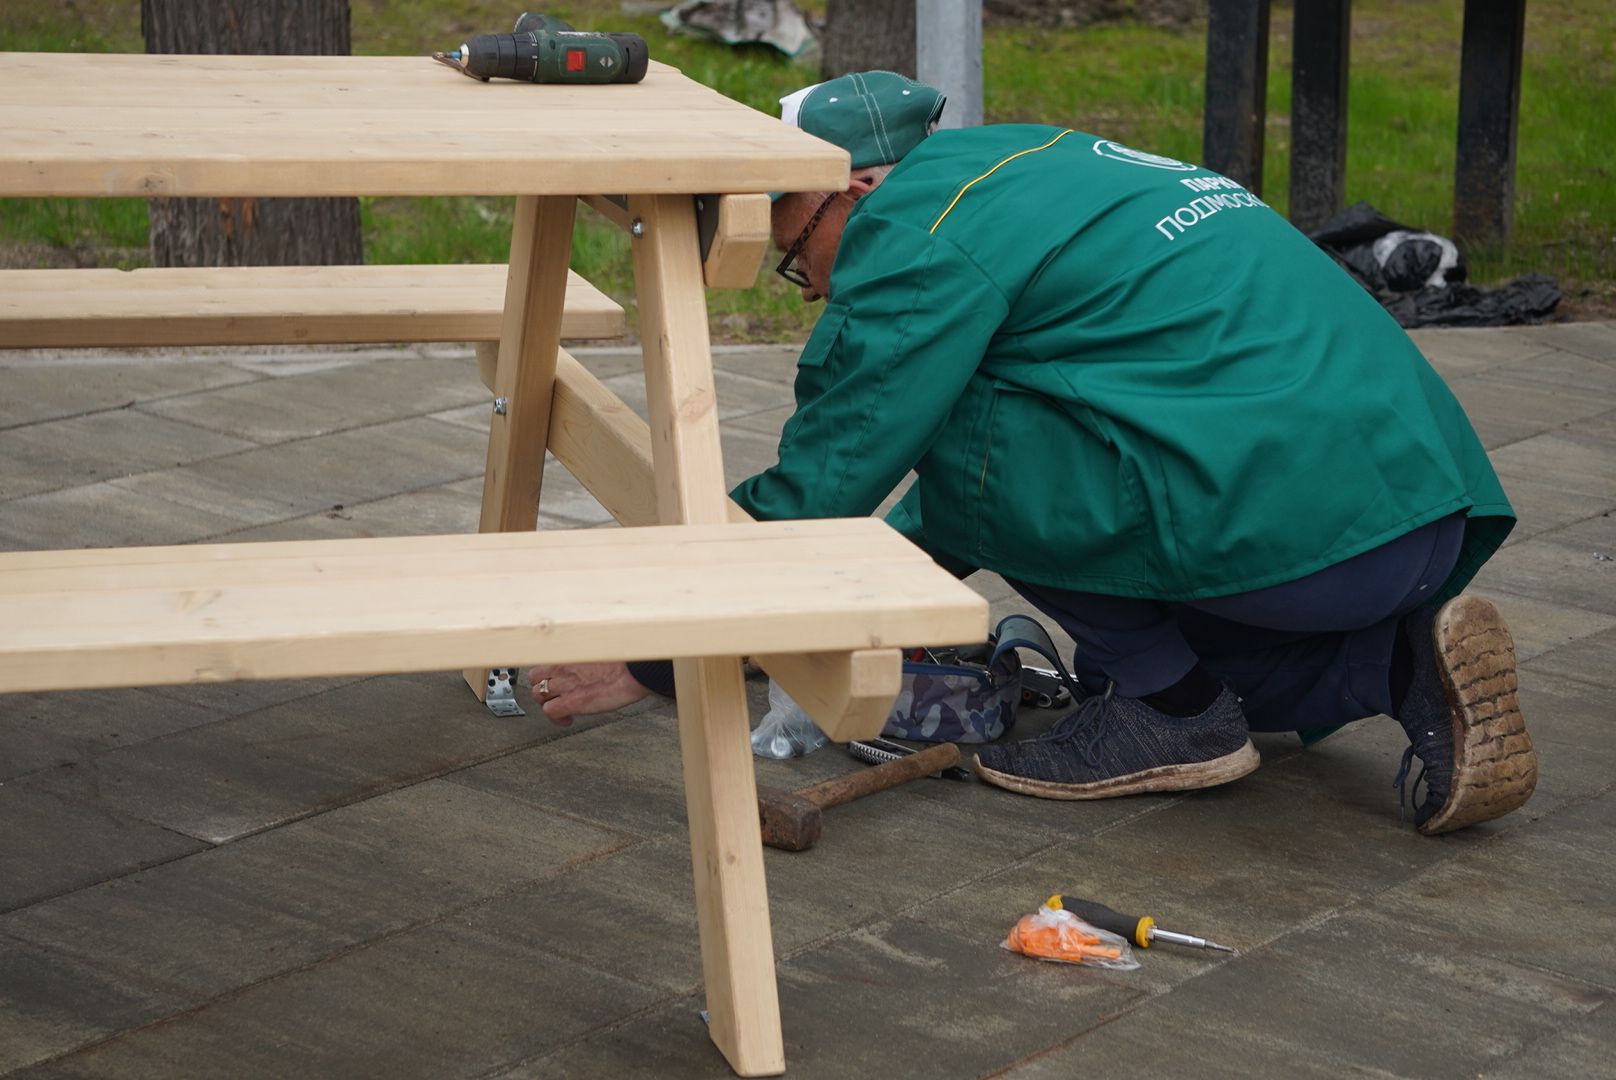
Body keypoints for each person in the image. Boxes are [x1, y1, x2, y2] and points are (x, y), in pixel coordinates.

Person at [530, 71, 1537, 835]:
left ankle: (1172, 713)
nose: (812, 289)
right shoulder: (1036, 158)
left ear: (857, 187)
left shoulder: (913, 232)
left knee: (976, 436)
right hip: (1414, 516)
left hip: (1291, 535)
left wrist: (658, 657)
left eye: (797, 255)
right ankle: (1394, 665)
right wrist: (854, 604)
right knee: (1134, 650)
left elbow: (825, 485)